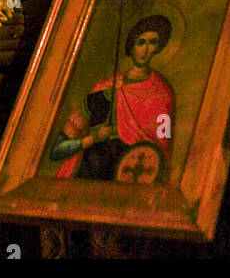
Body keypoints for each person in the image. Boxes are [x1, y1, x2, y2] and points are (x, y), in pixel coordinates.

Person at [50, 14, 176, 182]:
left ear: (159, 47)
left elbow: (162, 145)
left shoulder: (161, 94)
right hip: (87, 175)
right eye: (141, 42)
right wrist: (93, 138)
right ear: (131, 46)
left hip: (128, 177)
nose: (145, 49)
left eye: (152, 42)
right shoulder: (103, 88)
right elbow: (59, 150)